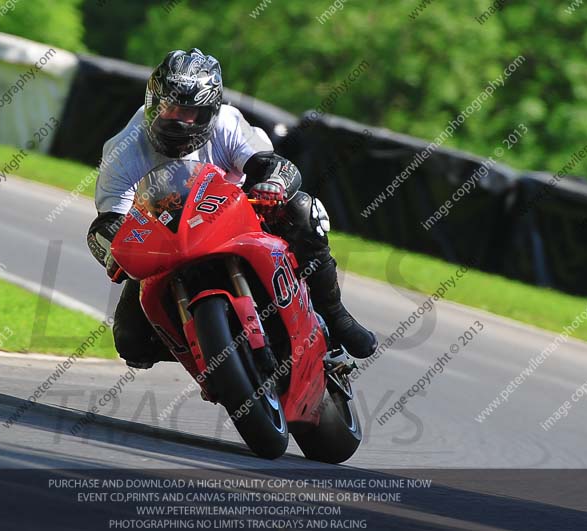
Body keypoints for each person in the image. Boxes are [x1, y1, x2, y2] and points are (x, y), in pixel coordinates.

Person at [87, 48, 377, 369]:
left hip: (236, 218)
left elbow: (271, 165)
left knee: (302, 209)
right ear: (153, 102)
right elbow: (109, 222)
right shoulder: (123, 148)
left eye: (190, 113)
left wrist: (273, 185)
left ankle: (336, 316)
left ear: (210, 110)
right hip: (168, 242)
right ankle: (206, 355)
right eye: (169, 109)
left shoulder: (227, 122)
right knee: (130, 341)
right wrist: (115, 253)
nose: (178, 121)